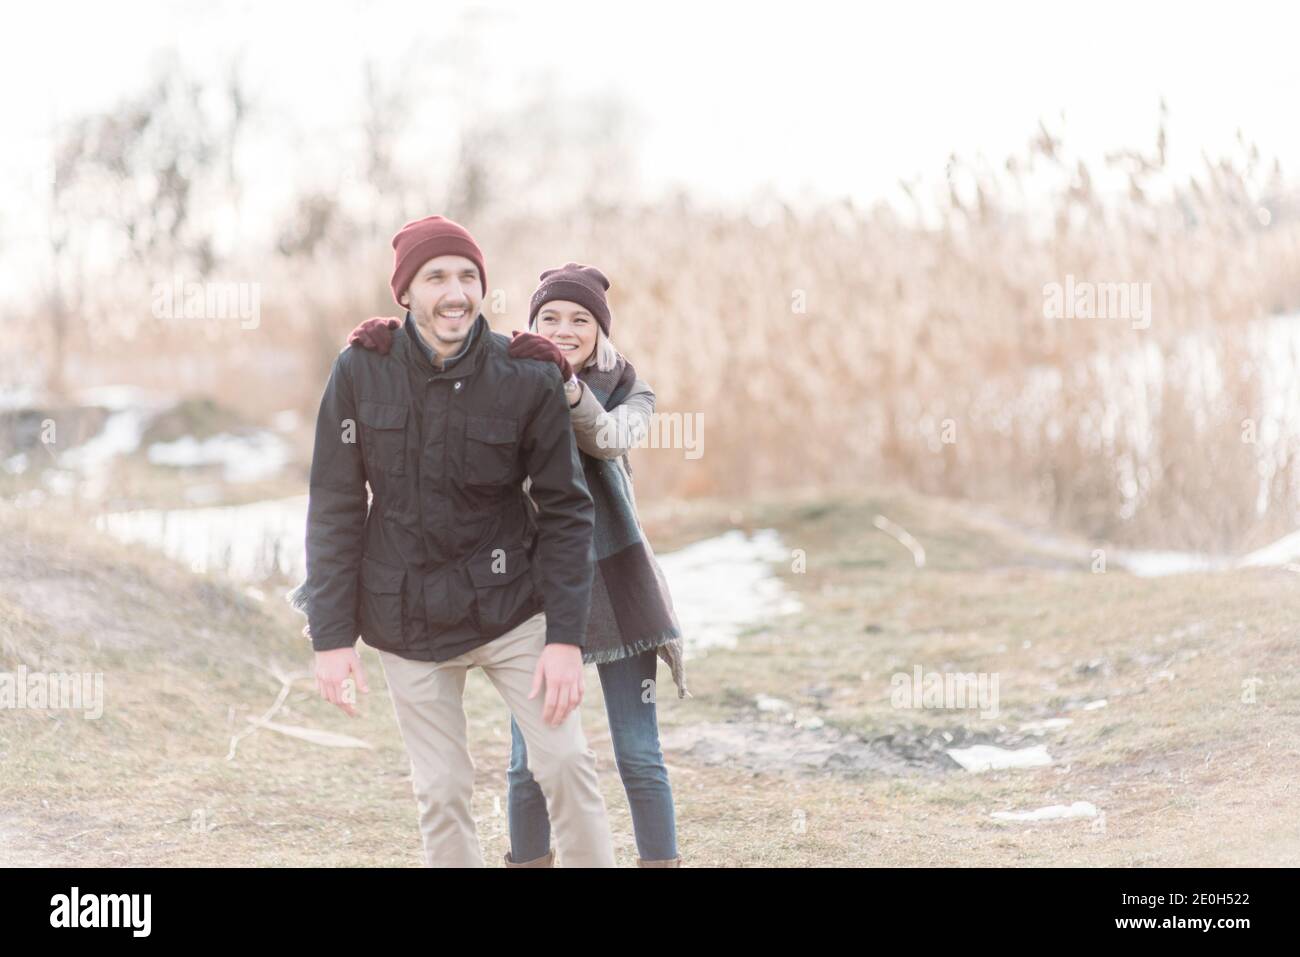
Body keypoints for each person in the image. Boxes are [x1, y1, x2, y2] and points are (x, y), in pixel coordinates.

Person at [291, 216, 614, 867]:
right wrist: (330, 637)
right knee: (441, 792)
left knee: (567, 768)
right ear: (406, 292)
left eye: (468, 276)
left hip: (512, 607)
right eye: (437, 276)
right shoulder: (360, 369)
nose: (456, 292)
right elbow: (334, 505)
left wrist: (564, 637)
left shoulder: (524, 375)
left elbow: (566, 511)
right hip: (404, 615)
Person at [348, 262, 687, 868]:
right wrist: (392, 345)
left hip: (616, 584)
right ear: (531, 323)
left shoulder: (633, 390)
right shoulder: (515, 374)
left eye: (580, 320)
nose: (564, 330)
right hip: (531, 587)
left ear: (601, 331)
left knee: (638, 753)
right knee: (532, 758)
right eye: (549, 318)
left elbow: (608, 438)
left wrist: (565, 386)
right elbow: (442, 370)